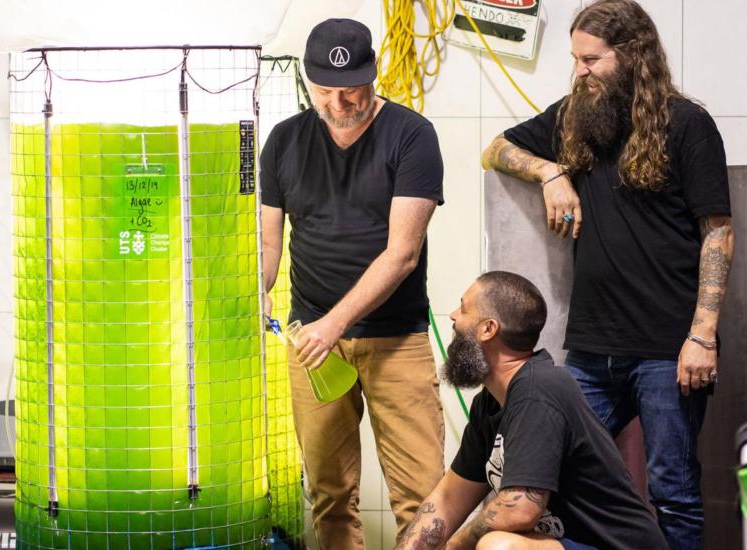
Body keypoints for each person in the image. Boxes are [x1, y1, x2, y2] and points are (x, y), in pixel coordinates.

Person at [481, 1, 734, 547]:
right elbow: (495, 148)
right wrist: (550, 172)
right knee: (559, 473)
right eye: (576, 59)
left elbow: (718, 233)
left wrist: (702, 335)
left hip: (668, 348)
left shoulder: (688, 124)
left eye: (591, 60)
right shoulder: (576, 116)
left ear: (632, 54)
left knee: (674, 492)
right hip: (593, 349)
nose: (580, 71)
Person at [259, 18, 446, 549]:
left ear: (372, 74)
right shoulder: (284, 141)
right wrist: (259, 287)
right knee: (330, 494)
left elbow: (402, 254)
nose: (339, 103)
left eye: (351, 90)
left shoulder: (411, 135)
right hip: (314, 345)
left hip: (395, 340)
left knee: (422, 498)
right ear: (308, 80)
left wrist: (333, 323)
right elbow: (269, 242)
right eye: (325, 91)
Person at [399, 271, 668, 550]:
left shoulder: (538, 392)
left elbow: (519, 509)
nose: (454, 317)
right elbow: (447, 501)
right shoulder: (491, 403)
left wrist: (455, 546)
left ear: (488, 329)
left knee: (499, 548)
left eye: (463, 308)